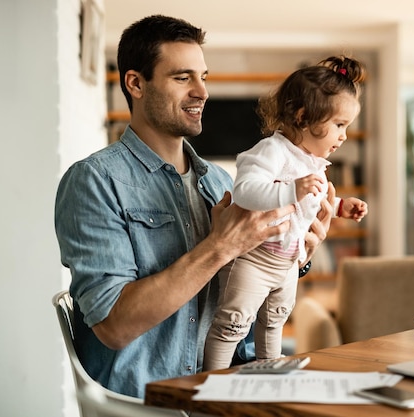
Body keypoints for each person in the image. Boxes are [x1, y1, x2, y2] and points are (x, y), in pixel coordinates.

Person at [54, 15, 333, 399]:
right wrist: (221, 246)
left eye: (204, 77)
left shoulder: (220, 183)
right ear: (136, 83)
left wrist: (297, 256)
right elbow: (114, 326)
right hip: (151, 403)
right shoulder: (94, 182)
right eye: (183, 78)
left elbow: (241, 299)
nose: (202, 91)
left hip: (227, 390)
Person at [204, 56, 368, 370]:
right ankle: (214, 379)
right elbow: (245, 191)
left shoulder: (312, 162)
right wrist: (293, 190)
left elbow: (308, 203)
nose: (344, 136)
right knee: (233, 323)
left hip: (289, 262)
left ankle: (270, 372)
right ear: (304, 117)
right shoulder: (273, 150)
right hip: (256, 258)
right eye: (339, 125)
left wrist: (339, 207)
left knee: (275, 321)